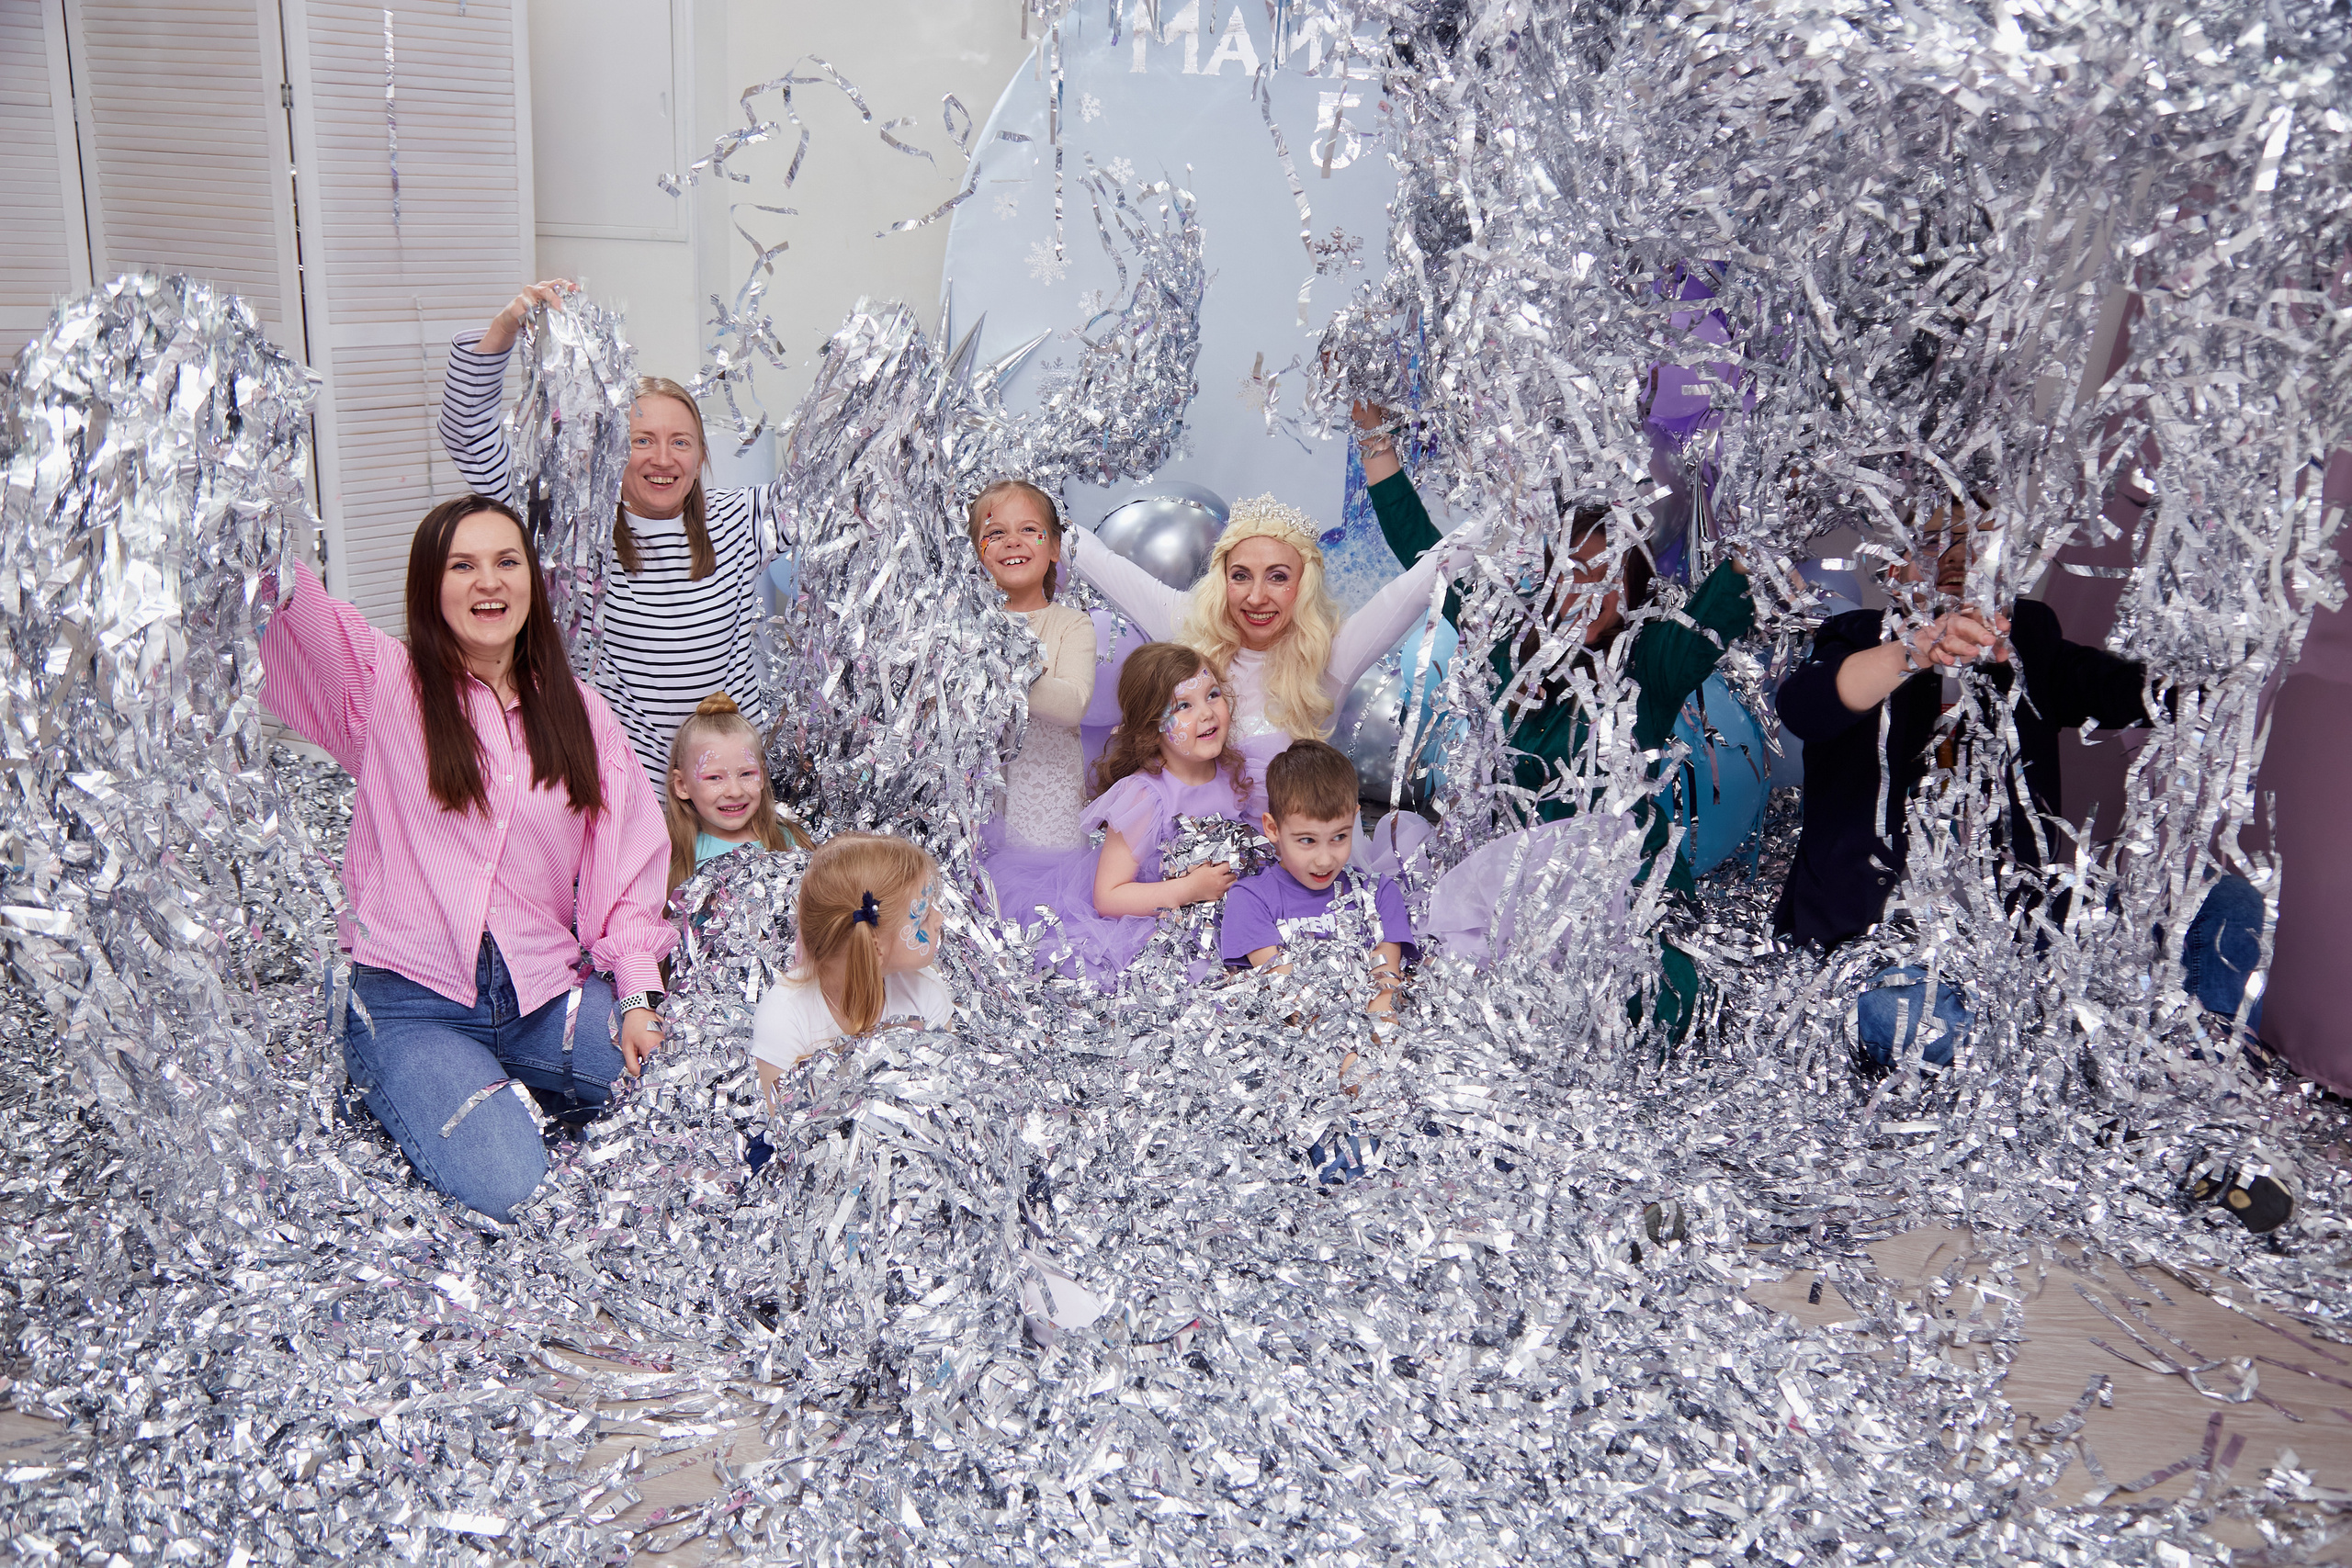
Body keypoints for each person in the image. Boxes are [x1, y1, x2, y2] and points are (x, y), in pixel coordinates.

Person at [261, 493, 674, 1223]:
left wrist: (637, 996)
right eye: (464, 565)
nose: (489, 582)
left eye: (506, 562)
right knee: (512, 1182)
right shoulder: (383, 685)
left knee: (677, 1093)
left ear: (530, 583)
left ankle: (517, 1072)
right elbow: (287, 596)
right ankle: (446, 1086)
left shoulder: (580, 712)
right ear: (431, 586)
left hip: (546, 995)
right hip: (415, 1008)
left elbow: (627, 869)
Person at [1354, 407, 1753, 1035]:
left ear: (1634, 588)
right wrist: (1374, 436)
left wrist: (1765, 505)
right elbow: (1422, 547)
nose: (1582, 592)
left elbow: (1728, 594)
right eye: (1568, 573)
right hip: (1515, 906)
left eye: (1603, 576)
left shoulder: (1651, 663)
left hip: (1621, 906)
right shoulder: (1510, 648)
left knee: (1651, 1006)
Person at [438, 279, 792, 784]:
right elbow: (467, 434)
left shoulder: (742, 518)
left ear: (700, 456)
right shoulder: (573, 528)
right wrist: (504, 328)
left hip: (726, 795)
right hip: (621, 799)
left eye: (681, 442)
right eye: (641, 440)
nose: (663, 459)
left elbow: (842, 491)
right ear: (611, 450)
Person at [1771, 501, 2153, 947]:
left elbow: (2118, 690)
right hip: (1864, 943)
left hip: (2002, 951)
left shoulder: (2027, 640)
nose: (1956, 557)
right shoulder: (1858, 635)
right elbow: (1805, 708)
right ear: (1894, 568)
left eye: (1977, 543)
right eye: (1933, 542)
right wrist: (1915, 651)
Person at [1063, 491, 1481, 779]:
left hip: (1298, 871)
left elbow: (1425, 576)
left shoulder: (1331, 654)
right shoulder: (1189, 627)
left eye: (1278, 577)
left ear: (1303, 586)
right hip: (1197, 865)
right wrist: (1023, 521)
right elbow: (1096, 560)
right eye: (1241, 576)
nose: (1257, 597)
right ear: (1222, 579)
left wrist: (1517, 509)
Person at [988, 642, 1261, 984]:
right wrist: (1187, 890)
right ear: (1151, 727)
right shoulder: (1145, 796)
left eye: (1213, 695)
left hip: (1223, 917)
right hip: (1157, 925)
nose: (1206, 713)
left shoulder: (1231, 770)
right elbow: (1108, 897)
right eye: (1184, 706)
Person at [1221, 741, 1417, 1016]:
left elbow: (1386, 986)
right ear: (1273, 828)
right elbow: (1288, 994)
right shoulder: (1251, 899)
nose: (1325, 860)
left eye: (1339, 836)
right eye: (1307, 840)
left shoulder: (1380, 894)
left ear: (1355, 819)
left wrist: (1376, 1036)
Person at [749, 832, 949, 1100]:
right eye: (923, 916)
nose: (940, 918)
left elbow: (948, 1097)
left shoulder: (926, 991)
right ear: (876, 946)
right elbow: (785, 1127)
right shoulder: (783, 1018)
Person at [966, 479, 1096, 850]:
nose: (1012, 540)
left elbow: (1072, 705)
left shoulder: (1071, 624)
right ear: (978, 551)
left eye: (1029, 529)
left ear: (1054, 546)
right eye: (995, 532)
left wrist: (1010, 668)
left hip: (1047, 807)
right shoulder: (967, 627)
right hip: (981, 799)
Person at [662, 691, 808, 896]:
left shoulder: (790, 843)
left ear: (762, 777)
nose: (734, 791)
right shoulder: (672, 858)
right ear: (682, 785)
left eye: (747, 774)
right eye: (714, 778)